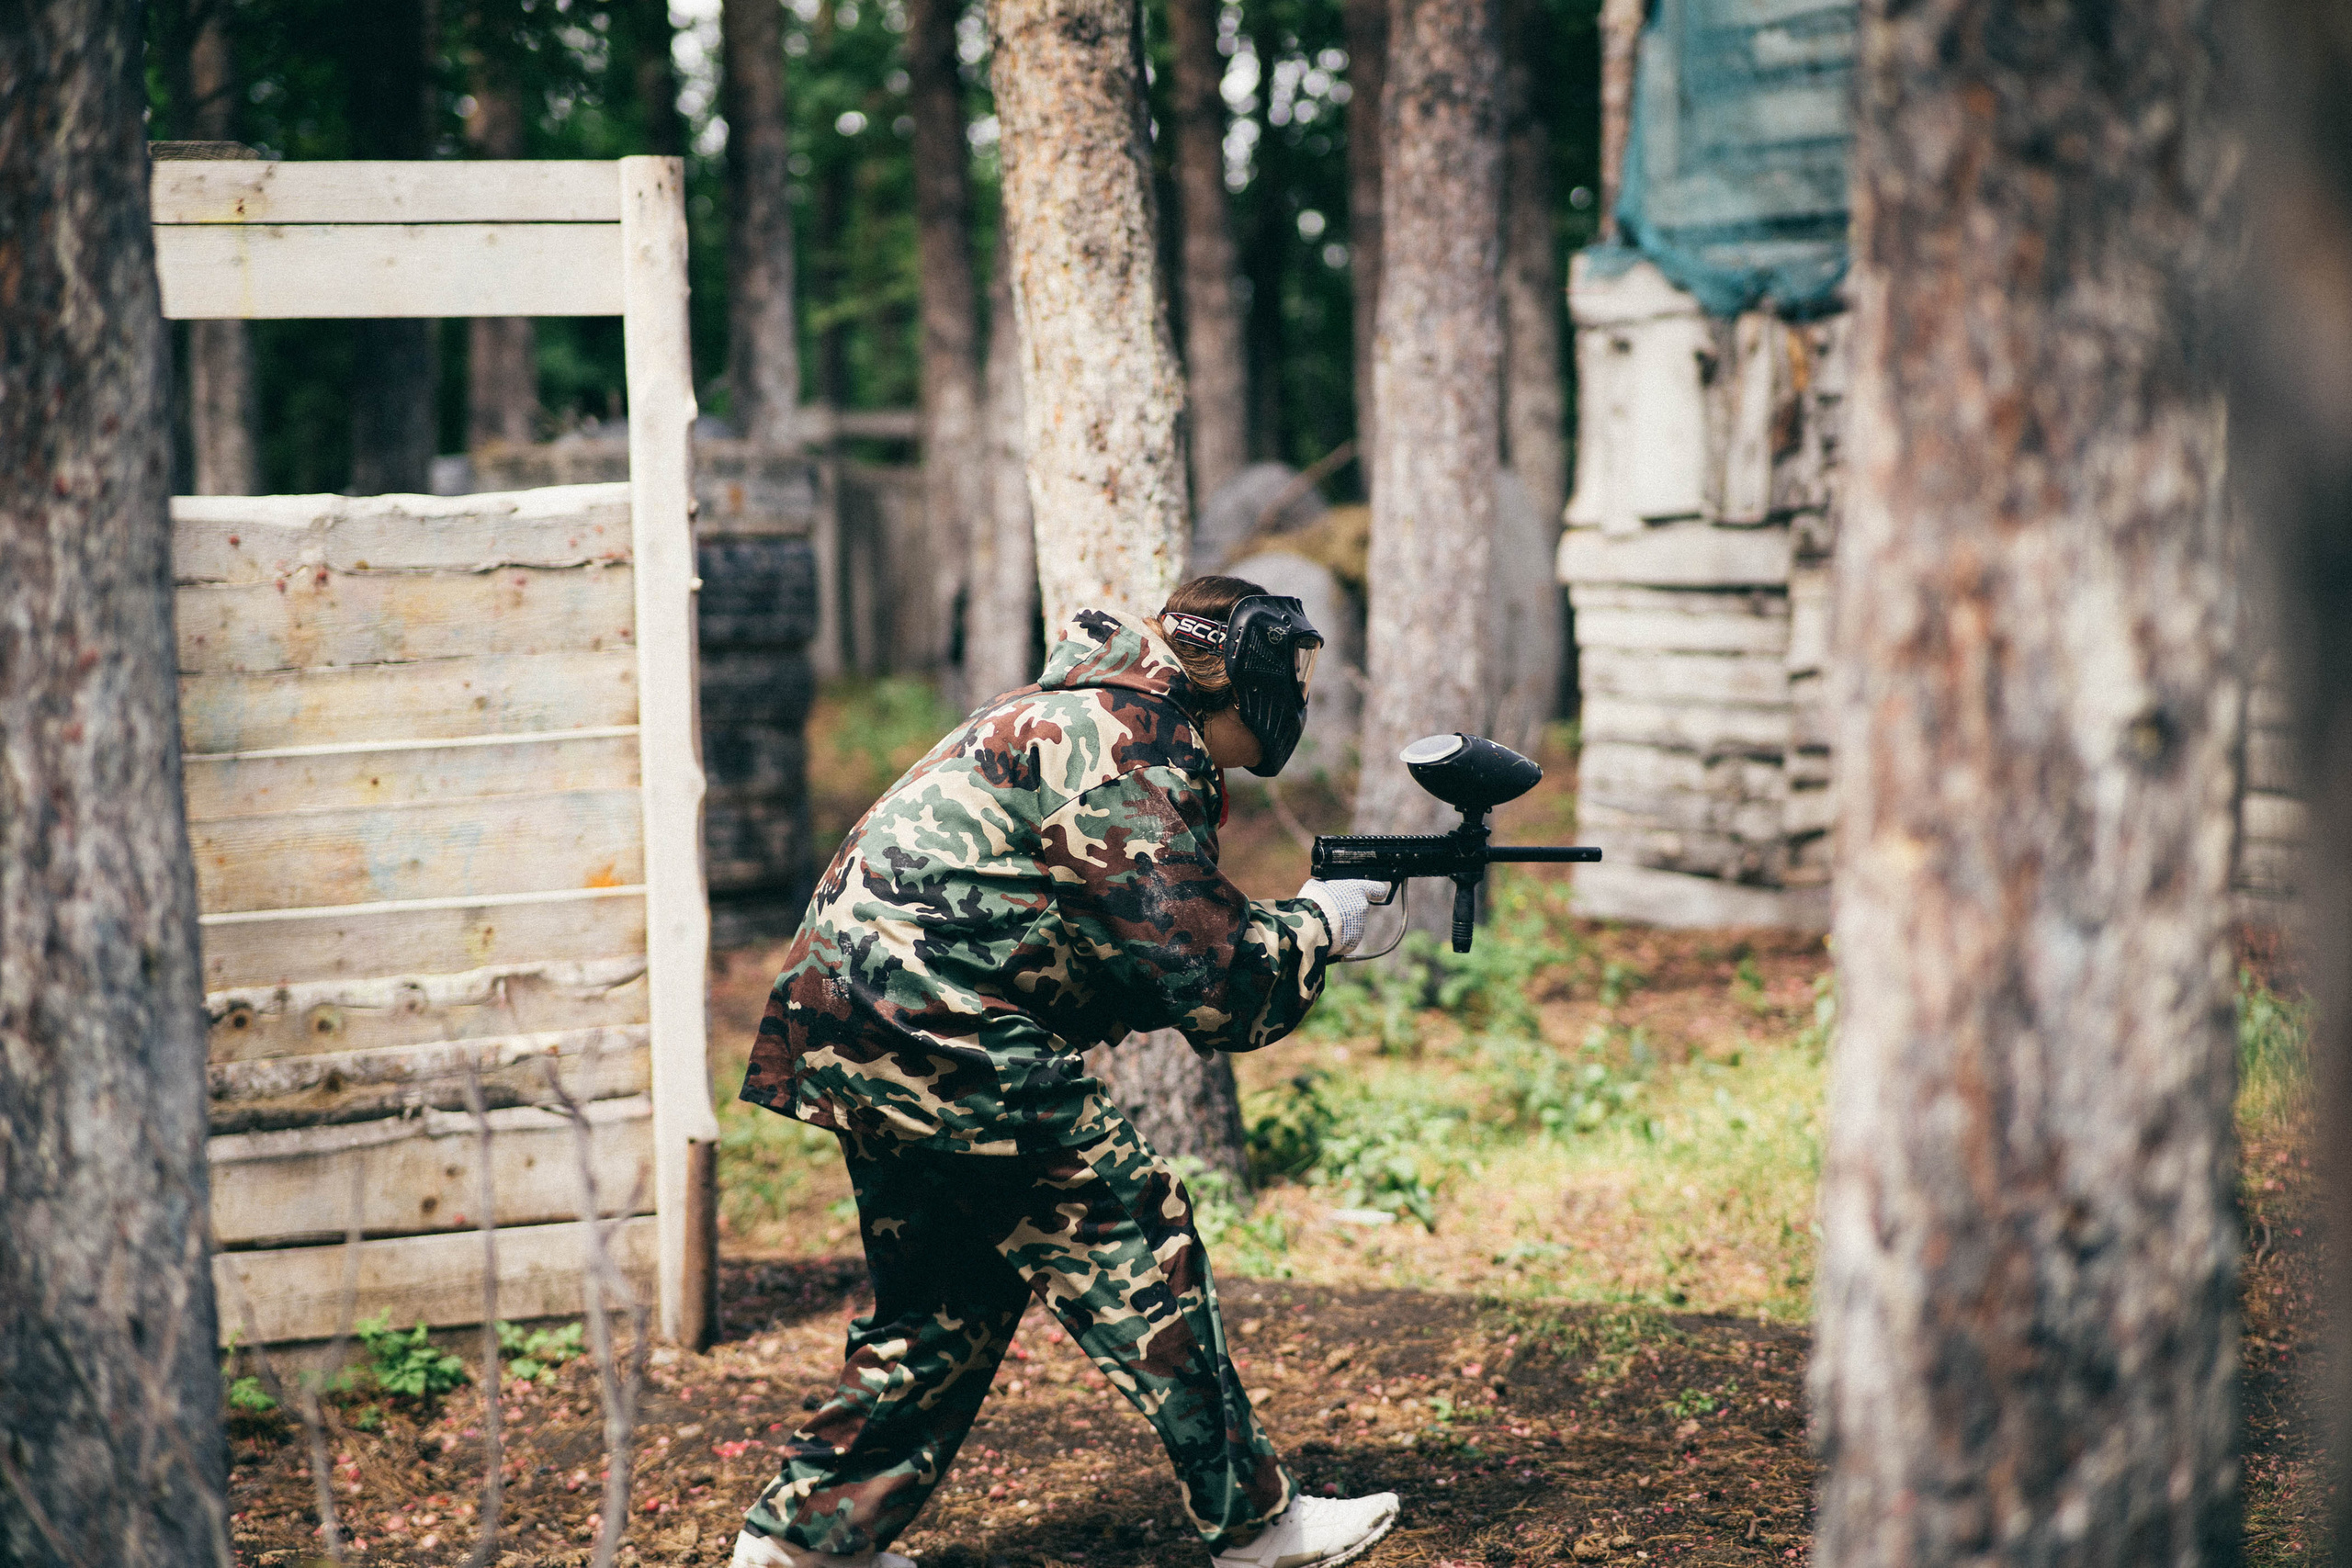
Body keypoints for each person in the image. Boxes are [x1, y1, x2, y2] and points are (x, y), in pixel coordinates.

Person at [729, 576, 1394, 1568]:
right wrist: (1322, 926)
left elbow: (1111, 945)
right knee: (1135, 1234)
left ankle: (805, 1544)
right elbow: (1214, 985)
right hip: (940, 1023)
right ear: (1242, 671)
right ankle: (1259, 1526)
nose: (1296, 697)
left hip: (855, 1011)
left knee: (943, 1300)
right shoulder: (1129, 744)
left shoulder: (1086, 718)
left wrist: (1294, 928)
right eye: (1286, 672)